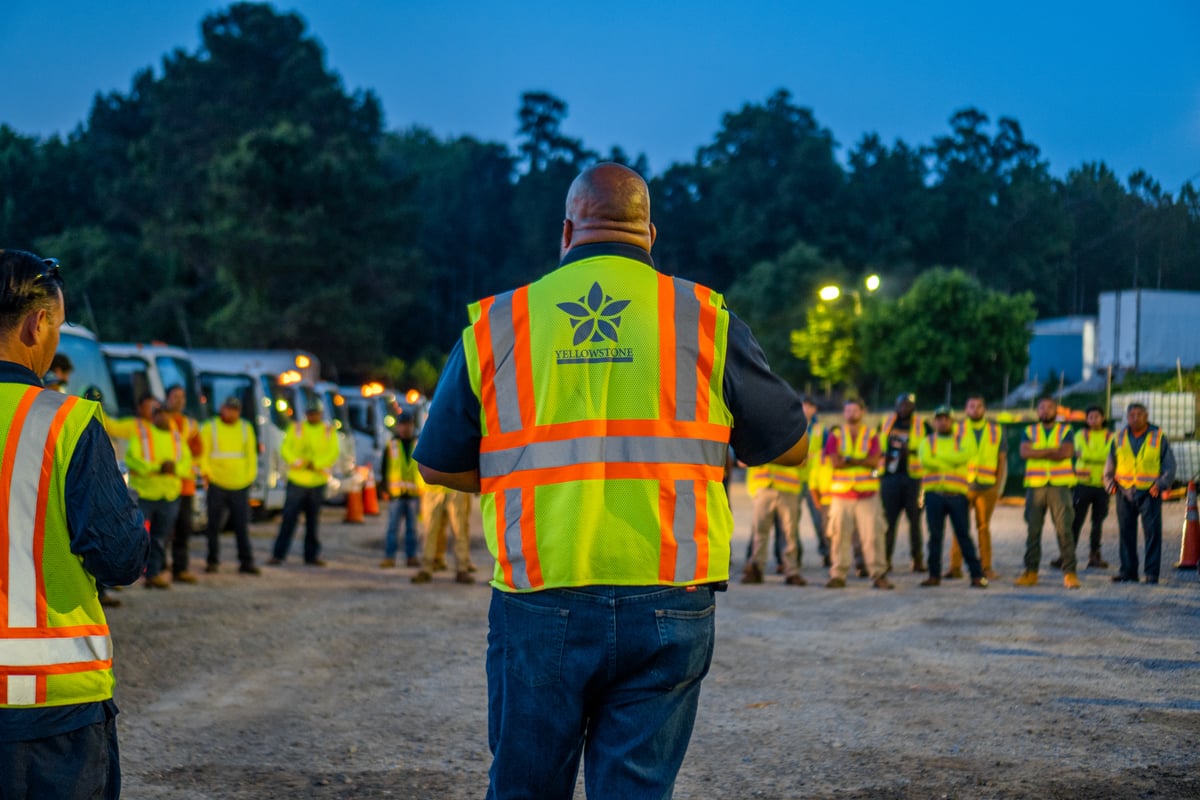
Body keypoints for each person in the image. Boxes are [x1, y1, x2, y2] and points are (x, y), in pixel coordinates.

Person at [413, 163, 808, 799]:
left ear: (566, 230)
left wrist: (523, 479)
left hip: (541, 588)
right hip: (669, 590)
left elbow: (436, 461)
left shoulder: (498, 323)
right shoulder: (703, 318)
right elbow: (788, 446)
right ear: (650, 233)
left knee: (525, 789)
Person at [0, 249, 148, 798]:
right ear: (38, 324)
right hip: (52, 708)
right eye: (58, 326)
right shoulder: (64, 420)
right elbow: (119, 556)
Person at [824, 398, 893, 590]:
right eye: (848, 410)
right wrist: (860, 460)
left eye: (855, 410)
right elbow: (835, 462)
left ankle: (878, 574)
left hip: (867, 495)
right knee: (839, 537)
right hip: (842, 495)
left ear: (863, 412)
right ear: (843, 413)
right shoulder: (836, 434)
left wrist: (850, 460)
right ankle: (838, 575)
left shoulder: (871, 435)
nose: (851, 413)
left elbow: (874, 462)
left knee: (874, 536)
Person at [1104, 402, 1176, 584]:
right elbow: (1110, 463)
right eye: (1132, 414)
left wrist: (1161, 484)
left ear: (1147, 416)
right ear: (1127, 417)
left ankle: (1151, 574)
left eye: (1139, 414)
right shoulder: (1118, 437)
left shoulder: (1158, 437)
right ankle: (1128, 572)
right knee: (1126, 533)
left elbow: (1169, 465)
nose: (1135, 417)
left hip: (1150, 492)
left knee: (1152, 533)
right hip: (1124, 491)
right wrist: (1109, 482)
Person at [917, 406, 988, 588]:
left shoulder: (962, 441)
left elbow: (965, 457)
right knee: (935, 537)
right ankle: (934, 576)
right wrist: (952, 460)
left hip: (958, 496)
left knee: (964, 536)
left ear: (952, 421)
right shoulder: (927, 442)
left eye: (946, 419)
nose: (942, 422)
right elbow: (926, 460)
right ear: (935, 422)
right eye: (939, 419)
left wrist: (939, 460)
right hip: (934, 495)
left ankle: (976, 575)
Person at [1015, 396, 1079, 589]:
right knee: (1033, 531)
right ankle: (1031, 572)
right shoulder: (1029, 430)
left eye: (1049, 407)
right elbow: (1024, 453)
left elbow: (1066, 453)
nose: (1045, 411)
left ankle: (1070, 573)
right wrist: (1052, 451)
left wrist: (1039, 451)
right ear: (1037, 411)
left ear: (1056, 411)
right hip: (1035, 487)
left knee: (1064, 530)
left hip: (1060, 486)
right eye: (1041, 407)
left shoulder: (1066, 430)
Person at [126, 395, 186, 589]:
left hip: (168, 495)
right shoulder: (143, 436)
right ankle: (125, 574)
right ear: (153, 417)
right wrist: (158, 468)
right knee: (134, 536)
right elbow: (133, 460)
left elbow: (188, 464)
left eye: (166, 414)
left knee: (160, 539)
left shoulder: (177, 438)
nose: (163, 418)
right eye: (159, 414)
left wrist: (174, 469)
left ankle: (153, 574)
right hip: (145, 494)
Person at [270, 401, 339, 566]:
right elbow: (286, 448)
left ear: (320, 414)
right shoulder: (296, 428)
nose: (313, 416)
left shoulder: (328, 430)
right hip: (297, 481)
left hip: (317, 481)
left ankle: (311, 556)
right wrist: (299, 462)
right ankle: (278, 554)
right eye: (310, 413)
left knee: (312, 522)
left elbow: (333, 452)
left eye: (316, 413)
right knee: (288, 519)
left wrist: (315, 464)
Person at [946, 394, 1006, 580]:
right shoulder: (957, 429)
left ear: (984, 409)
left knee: (983, 527)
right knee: (960, 527)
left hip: (987, 486)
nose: (975, 410)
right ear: (966, 409)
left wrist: (997, 486)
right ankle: (954, 568)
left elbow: (1001, 459)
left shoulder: (996, 430)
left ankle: (986, 568)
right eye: (971, 406)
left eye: (979, 406)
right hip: (963, 486)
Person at [199, 395, 260, 575]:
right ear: (221, 409)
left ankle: (246, 561)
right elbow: (203, 453)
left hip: (240, 484)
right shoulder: (210, 427)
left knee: (241, 526)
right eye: (228, 409)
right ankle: (212, 560)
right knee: (213, 526)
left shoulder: (245, 428)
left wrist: (249, 478)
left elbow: (251, 455)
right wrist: (207, 474)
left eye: (235, 410)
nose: (231, 413)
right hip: (217, 483)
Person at [879, 392, 929, 573]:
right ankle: (885, 560)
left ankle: (917, 560)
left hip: (913, 480)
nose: (904, 408)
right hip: (890, 478)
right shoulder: (886, 422)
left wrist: (912, 451)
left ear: (913, 407)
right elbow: (878, 445)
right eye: (901, 404)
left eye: (907, 405)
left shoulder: (922, 425)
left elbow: (928, 447)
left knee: (915, 522)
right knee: (889, 522)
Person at [742, 461, 807, 585]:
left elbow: (802, 461)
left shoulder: (795, 440)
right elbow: (743, 461)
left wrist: (770, 456)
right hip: (763, 486)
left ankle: (792, 571)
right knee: (759, 531)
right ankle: (755, 568)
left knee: (789, 533)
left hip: (788, 487)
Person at [164, 383, 202, 584]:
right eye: (175, 396)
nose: (179, 400)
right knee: (163, 529)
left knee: (183, 528)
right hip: (164, 483)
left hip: (184, 484)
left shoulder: (190, 425)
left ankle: (180, 567)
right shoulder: (160, 421)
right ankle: (158, 568)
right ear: (167, 398)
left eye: (182, 397)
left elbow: (198, 451)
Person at [1070, 405, 1112, 569]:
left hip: (1102, 485)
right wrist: (1100, 457)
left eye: (1097, 416)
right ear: (1086, 419)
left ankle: (1095, 555)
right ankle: (1067, 555)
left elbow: (1109, 455)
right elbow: (1079, 453)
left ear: (1103, 418)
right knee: (1075, 521)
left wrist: (1088, 456)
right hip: (1083, 485)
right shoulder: (1080, 435)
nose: (1094, 419)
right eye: (1090, 417)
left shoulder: (1110, 436)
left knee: (1098, 523)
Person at [380, 411, 422, 568]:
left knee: (412, 529)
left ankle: (411, 556)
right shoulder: (391, 445)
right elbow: (385, 468)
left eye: (408, 425)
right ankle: (389, 556)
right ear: (398, 427)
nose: (405, 428)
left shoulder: (418, 444)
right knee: (393, 527)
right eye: (402, 425)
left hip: (413, 494)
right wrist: (384, 488)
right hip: (396, 495)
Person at [412, 485, 476, 584]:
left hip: (456, 488)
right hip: (432, 488)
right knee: (430, 531)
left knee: (459, 531)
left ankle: (462, 569)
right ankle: (427, 568)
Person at [800, 395, 831, 567]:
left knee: (820, 521)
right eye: (803, 405)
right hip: (795, 480)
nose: (806, 409)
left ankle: (827, 552)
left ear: (815, 409)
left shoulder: (821, 430)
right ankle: (791, 557)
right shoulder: (792, 427)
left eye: (810, 406)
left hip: (816, 482)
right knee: (789, 524)